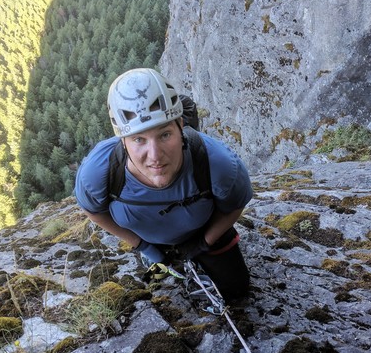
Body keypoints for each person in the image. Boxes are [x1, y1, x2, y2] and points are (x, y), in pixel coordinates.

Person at [75, 68, 252, 302]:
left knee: (238, 294)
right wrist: (143, 246)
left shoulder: (219, 164)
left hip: (205, 234)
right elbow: (93, 212)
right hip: (151, 243)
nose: (155, 155)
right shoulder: (98, 173)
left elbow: (233, 206)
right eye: (139, 139)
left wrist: (203, 242)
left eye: (165, 135)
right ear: (123, 142)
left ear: (180, 126)